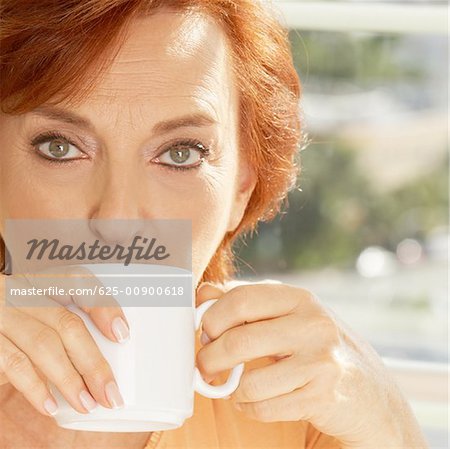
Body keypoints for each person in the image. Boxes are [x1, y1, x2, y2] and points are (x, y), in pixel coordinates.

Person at [0, 1, 429, 448]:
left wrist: (391, 425)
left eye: (180, 153)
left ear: (241, 189)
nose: (117, 222)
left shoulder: (307, 406)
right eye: (59, 148)